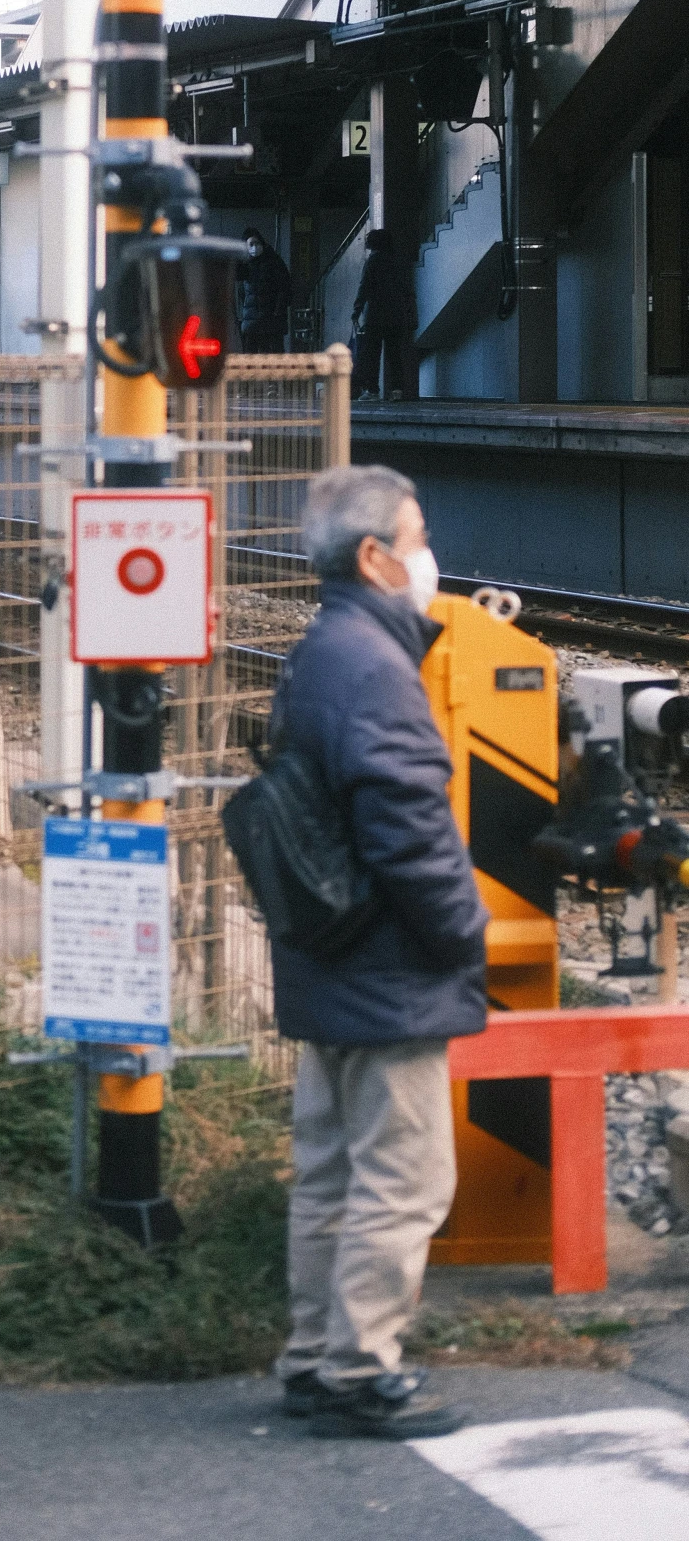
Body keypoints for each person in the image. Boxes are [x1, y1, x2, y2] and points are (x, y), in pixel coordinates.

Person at [270, 464, 487, 1440]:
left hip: (327, 955)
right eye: (417, 534)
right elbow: (410, 828)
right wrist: (464, 931)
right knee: (403, 1180)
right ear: (374, 556)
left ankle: (314, 1358)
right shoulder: (375, 671)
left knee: (329, 1175)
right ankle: (363, 1366)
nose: (426, 555)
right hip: (389, 966)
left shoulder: (321, 652)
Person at [351, 227, 416, 400]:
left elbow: (364, 286)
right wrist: (409, 311)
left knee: (372, 355)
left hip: (376, 315)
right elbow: (407, 289)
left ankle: (372, 390)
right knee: (394, 355)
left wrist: (357, 309)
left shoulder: (373, 261)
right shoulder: (398, 261)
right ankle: (397, 391)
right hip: (396, 315)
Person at [237, 227, 293, 352]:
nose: (254, 247)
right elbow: (236, 275)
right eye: (250, 244)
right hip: (254, 321)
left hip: (270, 320)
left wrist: (278, 312)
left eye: (257, 243)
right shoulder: (247, 264)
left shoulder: (273, 261)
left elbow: (285, 288)